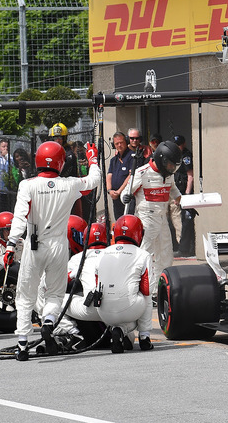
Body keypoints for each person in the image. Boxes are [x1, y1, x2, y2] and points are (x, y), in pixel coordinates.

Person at [4, 140, 100, 361]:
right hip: (58, 246)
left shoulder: (27, 185)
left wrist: (11, 244)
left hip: (34, 245)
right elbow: (94, 180)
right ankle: (49, 321)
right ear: (60, 162)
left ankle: (22, 344)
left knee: (25, 296)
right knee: (55, 293)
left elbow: (19, 216)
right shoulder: (69, 184)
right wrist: (93, 158)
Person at [120, 140, 182, 284]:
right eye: (170, 164)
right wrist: (126, 197)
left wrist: (180, 199)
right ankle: (137, 284)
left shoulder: (169, 173)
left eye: (174, 165)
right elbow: (125, 194)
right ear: (162, 159)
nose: (172, 168)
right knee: (144, 254)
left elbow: (173, 189)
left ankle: (159, 287)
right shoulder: (142, 172)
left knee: (166, 254)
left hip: (162, 218)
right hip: (146, 219)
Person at [96, 215, 155, 353]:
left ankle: (118, 330)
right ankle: (144, 337)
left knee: (123, 309)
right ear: (139, 233)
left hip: (103, 312)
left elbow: (97, 283)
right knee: (146, 297)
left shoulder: (102, 253)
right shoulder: (143, 254)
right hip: (130, 307)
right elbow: (147, 289)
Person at [53, 222, 110, 351]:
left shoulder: (78, 258)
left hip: (92, 309)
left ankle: (73, 332)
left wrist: (75, 274)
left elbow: (60, 281)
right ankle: (135, 334)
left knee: (53, 297)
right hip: (118, 310)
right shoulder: (116, 254)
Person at [171, 134, 195, 257]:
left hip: (185, 194)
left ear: (183, 144)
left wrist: (185, 195)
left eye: (178, 145)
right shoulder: (175, 156)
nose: (177, 147)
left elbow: (190, 177)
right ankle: (182, 248)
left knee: (186, 222)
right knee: (180, 221)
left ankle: (186, 249)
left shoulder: (186, 156)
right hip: (178, 193)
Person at [107, 131, 134, 220]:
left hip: (127, 197)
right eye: (116, 143)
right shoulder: (113, 160)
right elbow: (109, 176)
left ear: (126, 142)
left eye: (121, 142)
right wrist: (110, 190)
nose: (119, 145)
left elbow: (131, 176)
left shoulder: (132, 157)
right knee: (118, 221)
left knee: (129, 222)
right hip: (115, 198)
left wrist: (119, 191)